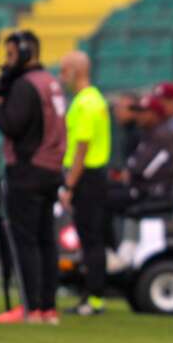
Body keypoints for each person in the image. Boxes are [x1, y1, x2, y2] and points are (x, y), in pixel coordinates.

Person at [0, 30, 66, 324]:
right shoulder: (50, 81)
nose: (6, 61)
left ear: (27, 53)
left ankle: (31, 306)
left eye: (11, 55)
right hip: (51, 169)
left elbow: (12, 125)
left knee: (25, 241)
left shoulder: (26, 85)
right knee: (45, 240)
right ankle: (48, 307)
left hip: (28, 170)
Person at [58, 51, 112, 316]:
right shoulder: (94, 99)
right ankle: (92, 297)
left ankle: (94, 299)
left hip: (86, 177)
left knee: (91, 240)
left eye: (64, 70)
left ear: (76, 71)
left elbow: (82, 148)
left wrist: (69, 185)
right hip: (93, 176)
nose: (61, 77)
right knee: (91, 239)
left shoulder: (86, 103)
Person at [107, 95, 173, 216]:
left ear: (154, 114)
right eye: (138, 111)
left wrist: (127, 175)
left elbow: (143, 171)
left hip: (155, 193)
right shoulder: (148, 134)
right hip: (142, 189)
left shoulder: (163, 136)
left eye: (143, 112)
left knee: (102, 197)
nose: (139, 115)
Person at [111, 93, 141, 165]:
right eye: (116, 107)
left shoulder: (141, 134)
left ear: (134, 111)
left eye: (121, 108)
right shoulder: (125, 130)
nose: (116, 111)